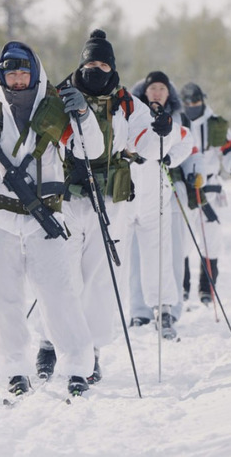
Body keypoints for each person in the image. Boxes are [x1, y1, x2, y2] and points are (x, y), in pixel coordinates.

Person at [0, 41, 104, 398]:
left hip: (43, 216)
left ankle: (77, 367)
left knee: (59, 293)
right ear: (1, 75)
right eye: (10, 71)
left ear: (34, 72)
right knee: (1, 297)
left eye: (23, 71)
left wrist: (83, 116)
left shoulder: (55, 109)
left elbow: (90, 150)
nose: (17, 78)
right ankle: (15, 369)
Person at [36, 30, 184, 380]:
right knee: (61, 275)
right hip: (67, 197)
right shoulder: (61, 95)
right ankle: (47, 343)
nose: (96, 69)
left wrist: (162, 129)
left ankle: (92, 350)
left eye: (103, 63)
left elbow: (147, 146)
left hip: (110, 199)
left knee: (100, 280)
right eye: (90, 62)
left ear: (112, 66)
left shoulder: (127, 104)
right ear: (81, 63)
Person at [126, 71, 194, 339]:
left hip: (158, 192)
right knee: (129, 256)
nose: (156, 93)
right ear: (144, 91)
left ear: (169, 94)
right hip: (127, 191)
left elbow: (186, 139)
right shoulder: (130, 112)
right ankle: (136, 310)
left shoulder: (173, 119)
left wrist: (169, 158)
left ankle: (164, 310)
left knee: (161, 251)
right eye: (152, 88)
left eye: (161, 89)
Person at [179, 82, 231, 305]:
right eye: (187, 103)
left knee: (211, 239)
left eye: (195, 102)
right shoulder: (177, 121)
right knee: (182, 239)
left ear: (202, 100)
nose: (191, 106)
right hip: (184, 188)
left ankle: (207, 289)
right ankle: (182, 286)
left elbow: (229, 150)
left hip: (209, 187)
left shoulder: (215, 124)